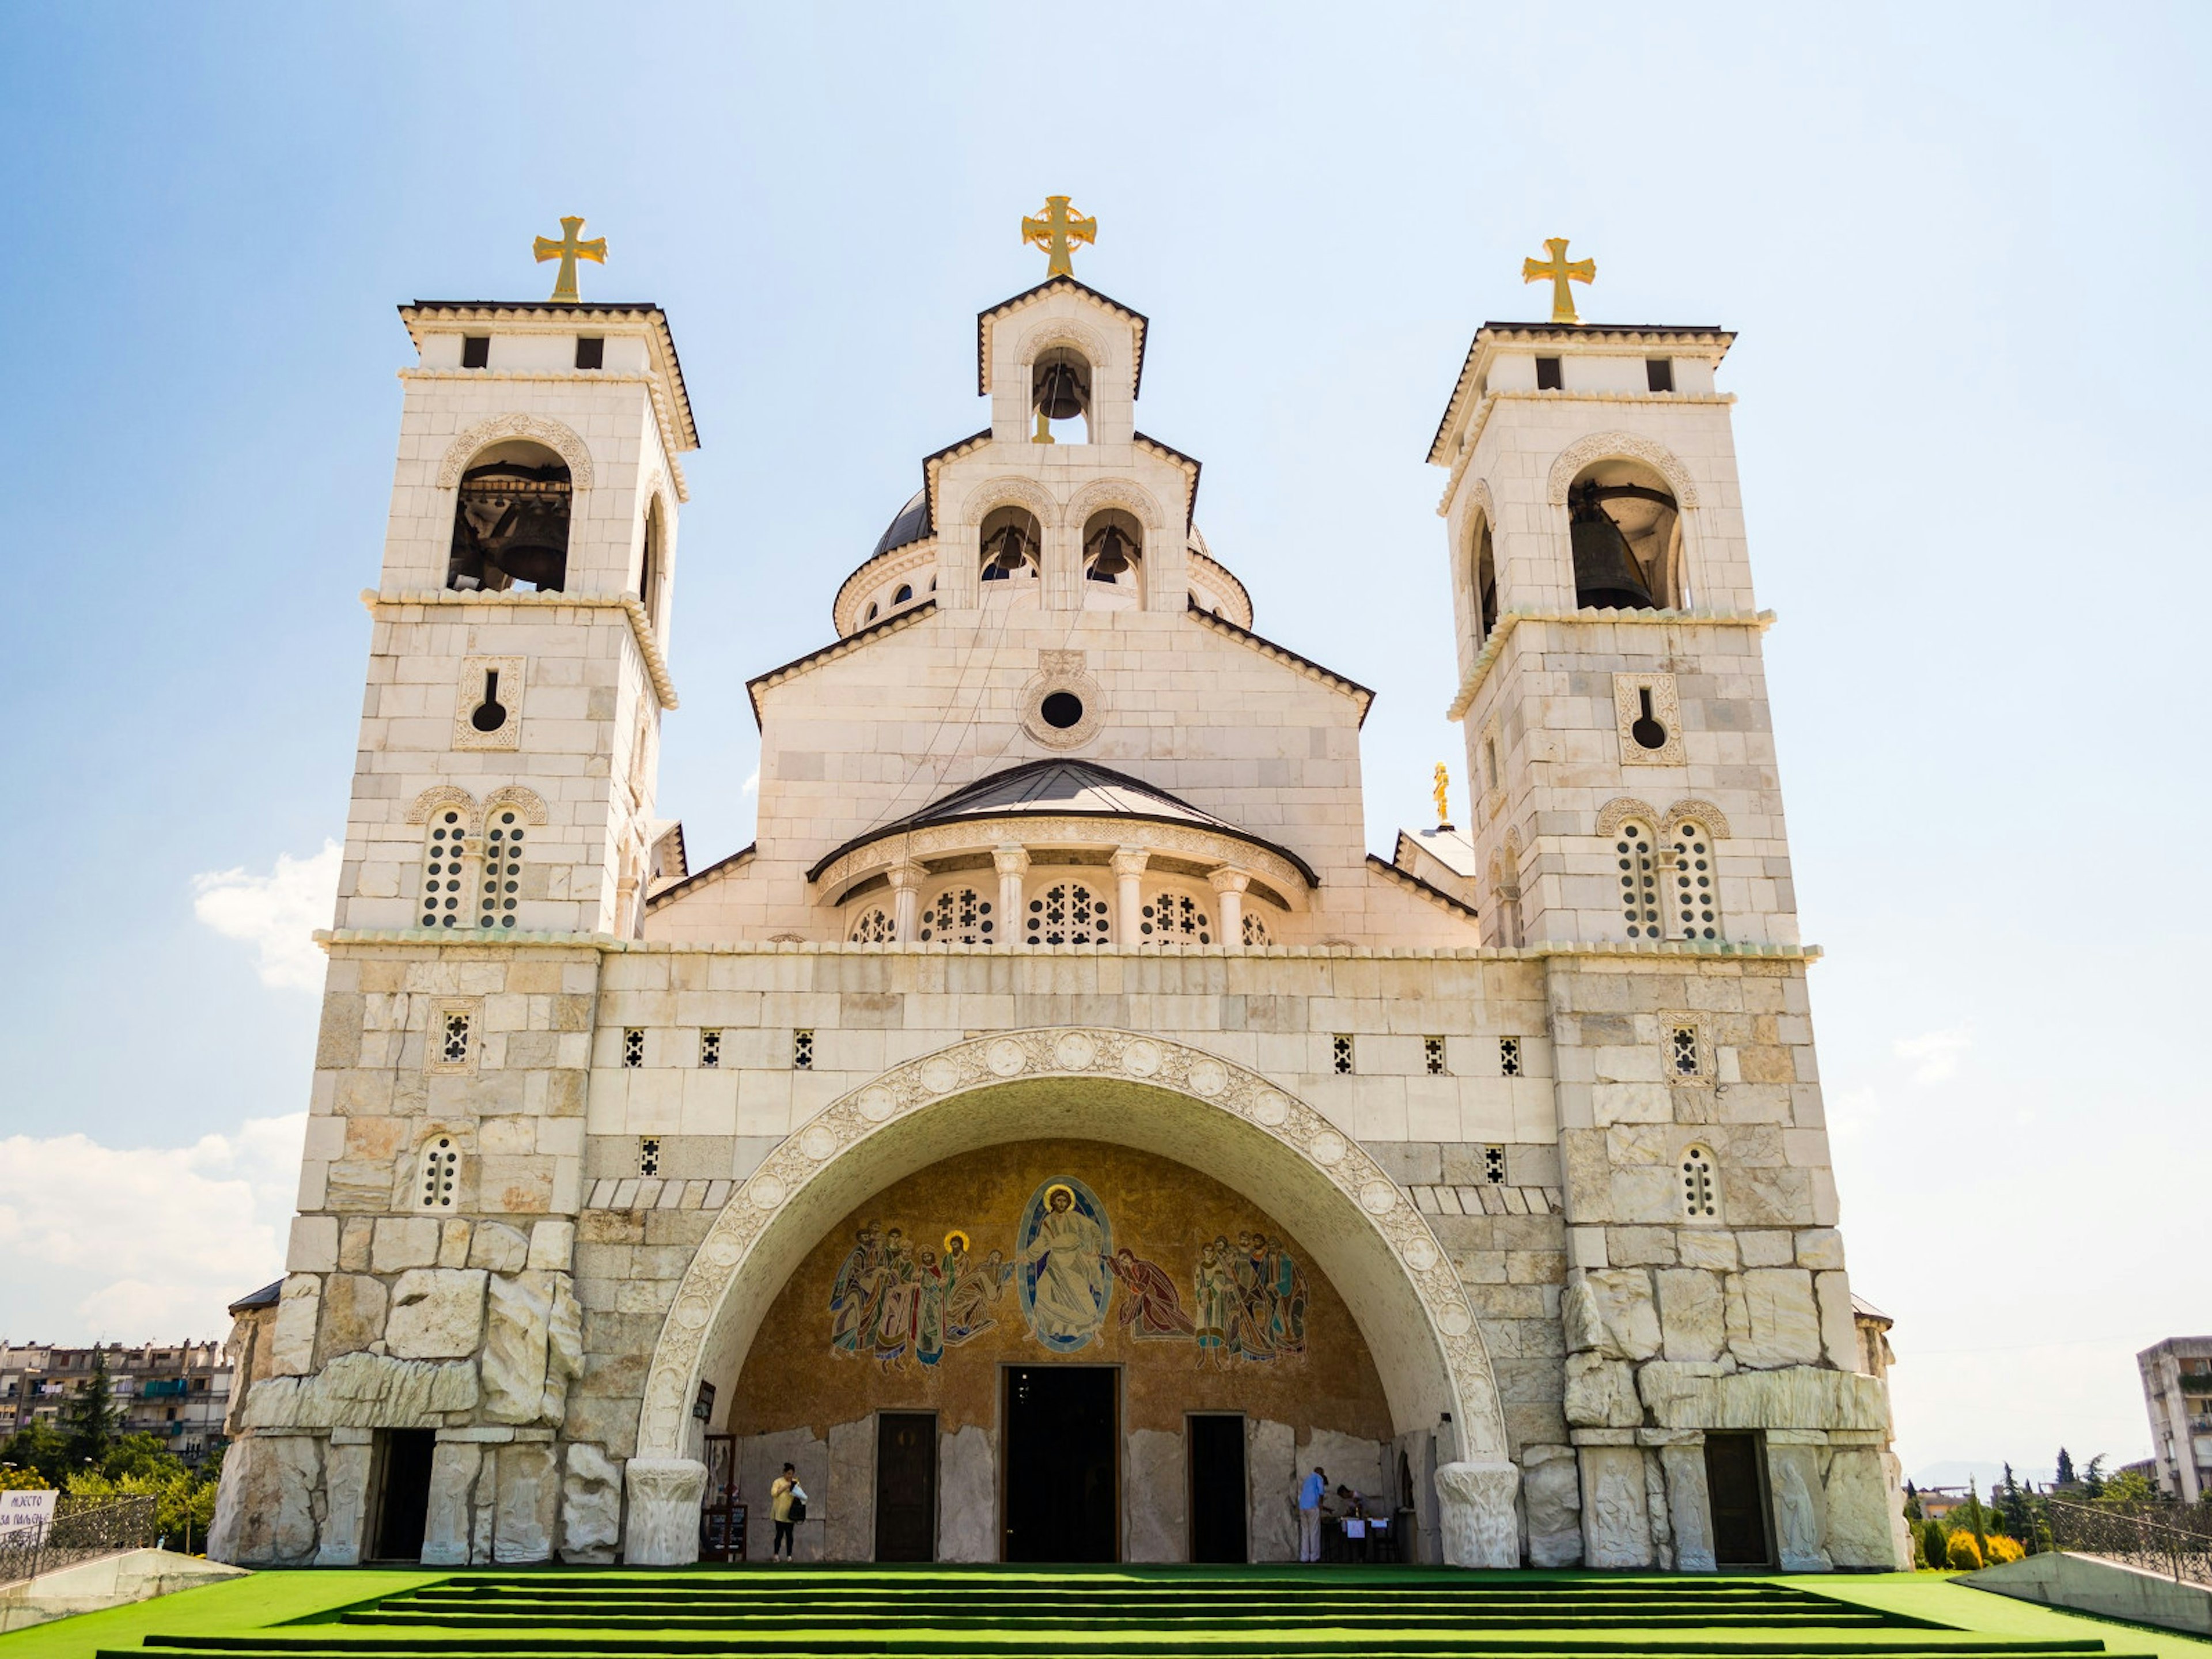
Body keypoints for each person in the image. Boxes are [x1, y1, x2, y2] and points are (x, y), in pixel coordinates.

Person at [769, 1462, 805, 1560]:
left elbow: (802, 1496)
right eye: (788, 1473)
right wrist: (785, 1487)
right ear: (784, 1473)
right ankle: (776, 1554)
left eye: (792, 1474)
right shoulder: (778, 1482)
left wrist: (794, 1490)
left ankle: (789, 1555)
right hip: (780, 1513)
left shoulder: (796, 1482)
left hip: (791, 1513)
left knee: (790, 1535)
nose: (790, 1476)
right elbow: (774, 1494)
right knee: (779, 1534)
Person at [1296, 1465, 1327, 1563]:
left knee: (1305, 1532)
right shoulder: (1319, 1478)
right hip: (1313, 1507)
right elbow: (1321, 1492)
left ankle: (1304, 1557)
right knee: (1314, 1531)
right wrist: (1321, 1504)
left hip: (1302, 1507)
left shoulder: (1308, 1479)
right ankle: (1314, 1557)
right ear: (1321, 1473)